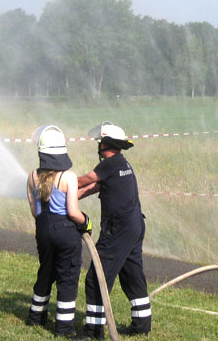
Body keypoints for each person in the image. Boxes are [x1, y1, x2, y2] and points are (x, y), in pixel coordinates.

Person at [76, 121, 151, 340]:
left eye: (100, 143)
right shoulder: (121, 163)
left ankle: (93, 331)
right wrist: (72, 197)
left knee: (96, 278)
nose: (98, 147)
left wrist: (62, 183)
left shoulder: (109, 164)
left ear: (105, 145)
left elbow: (85, 180)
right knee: (132, 274)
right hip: (135, 225)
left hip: (118, 230)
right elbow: (94, 187)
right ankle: (142, 324)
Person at [25, 125, 92, 339]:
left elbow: (35, 212)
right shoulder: (68, 177)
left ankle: (35, 317)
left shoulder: (31, 177)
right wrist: (87, 222)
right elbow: (73, 212)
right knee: (67, 276)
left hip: (43, 231)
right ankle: (64, 328)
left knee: (46, 271)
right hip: (65, 233)